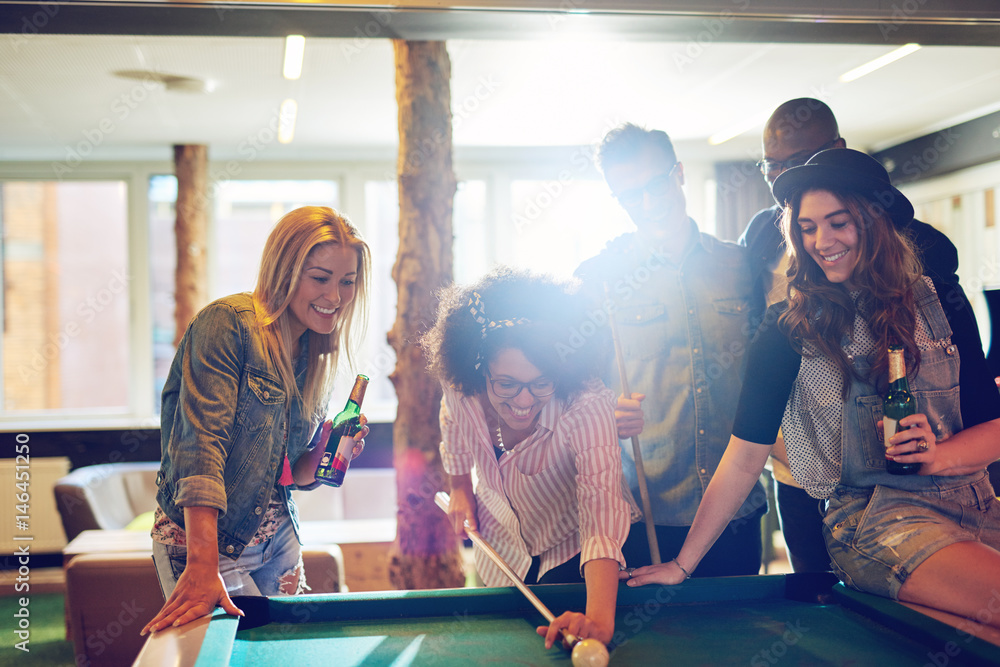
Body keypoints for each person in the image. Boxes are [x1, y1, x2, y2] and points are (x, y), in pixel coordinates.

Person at [625, 149, 1000, 639]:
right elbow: (743, 457)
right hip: (877, 521)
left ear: (874, 220)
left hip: (977, 504)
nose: (822, 242)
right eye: (807, 227)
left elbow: (992, 429)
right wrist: (682, 564)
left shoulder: (940, 302)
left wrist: (937, 454)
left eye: (838, 222)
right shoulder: (786, 329)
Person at [740, 98, 975, 573]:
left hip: (901, 474)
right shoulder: (760, 241)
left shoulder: (920, 249)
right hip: (800, 472)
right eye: (773, 167)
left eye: (797, 162)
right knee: (819, 601)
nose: (822, 240)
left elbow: (955, 372)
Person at [141, 206, 371, 635]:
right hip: (206, 546)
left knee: (281, 654)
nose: (336, 297)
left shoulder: (314, 351)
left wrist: (328, 452)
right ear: (284, 269)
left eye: (347, 282)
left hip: (278, 538)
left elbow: (295, 475)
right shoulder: (227, 324)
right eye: (320, 278)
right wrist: (203, 565)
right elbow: (200, 449)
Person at [575, 123, 767, 576]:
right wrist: (604, 411)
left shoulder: (740, 267)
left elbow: (772, 376)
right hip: (643, 517)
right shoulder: (598, 278)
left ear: (678, 173)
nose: (647, 203)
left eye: (656, 184)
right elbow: (568, 395)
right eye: (629, 195)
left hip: (735, 513)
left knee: (737, 643)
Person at [423, 267, 641, 648]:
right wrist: (460, 488)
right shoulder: (461, 385)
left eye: (541, 382)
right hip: (498, 551)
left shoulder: (587, 405)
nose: (524, 401)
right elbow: (451, 421)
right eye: (506, 383)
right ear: (478, 369)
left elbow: (601, 511)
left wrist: (599, 624)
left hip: (576, 555)